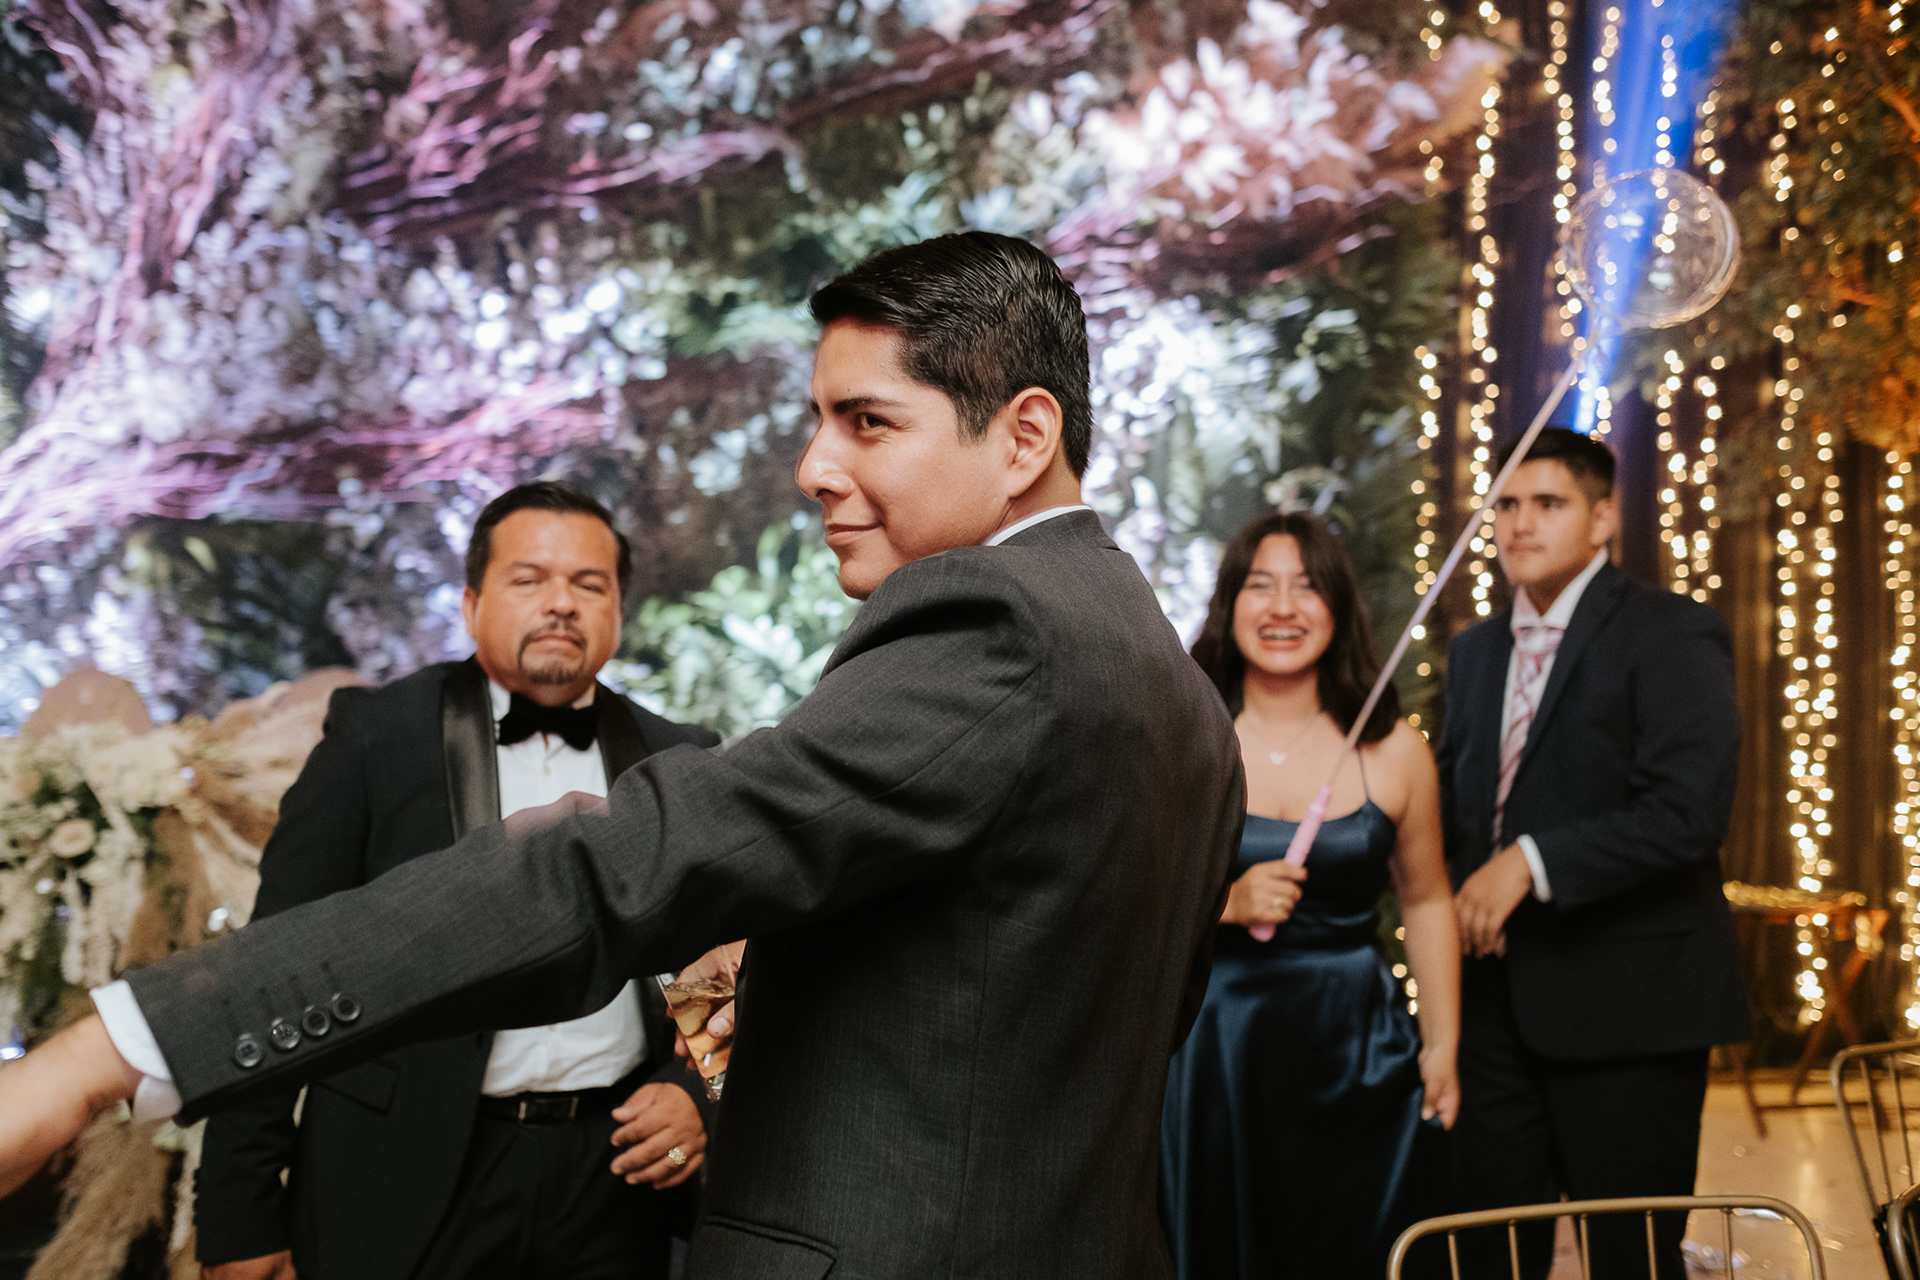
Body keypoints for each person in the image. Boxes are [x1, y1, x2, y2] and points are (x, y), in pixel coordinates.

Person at [0, 231, 1245, 1280]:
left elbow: (606, 872)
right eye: (818, 421)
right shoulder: (1177, 689)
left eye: (868, 422)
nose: (814, 468)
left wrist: (114, 1048)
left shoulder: (997, 622)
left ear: (1024, 435)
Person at [196, 481, 722, 1280]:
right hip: (402, 1169)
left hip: (612, 1181)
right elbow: (271, 968)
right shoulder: (375, 739)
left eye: (588, 585)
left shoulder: (678, 757)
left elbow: (718, 957)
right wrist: (239, 1214)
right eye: (529, 579)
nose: (561, 603)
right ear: (472, 604)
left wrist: (695, 1090)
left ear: (618, 611)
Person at [1441, 427, 1748, 1278]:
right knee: (1491, 1252)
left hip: (1631, 1010)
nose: (1519, 523)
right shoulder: (1474, 651)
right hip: (1491, 1007)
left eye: (1548, 503)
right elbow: (1455, 806)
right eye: (1506, 504)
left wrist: (1529, 862)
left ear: (1604, 517)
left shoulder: (1672, 631)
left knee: (1631, 1257)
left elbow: (1688, 812)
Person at [1160, 511, 1460, 1280]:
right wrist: (1223, 905)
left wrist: (1442, 1044)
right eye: (1261, 586)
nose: (1283, 608)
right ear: (1230, 604)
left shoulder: (1395, 751)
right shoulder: (1182, 739)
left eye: (1306, 587)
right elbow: (1125, 896)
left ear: (1339, 607)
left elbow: (1427, 900)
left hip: (1356, 1044)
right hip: (1217, 1048)